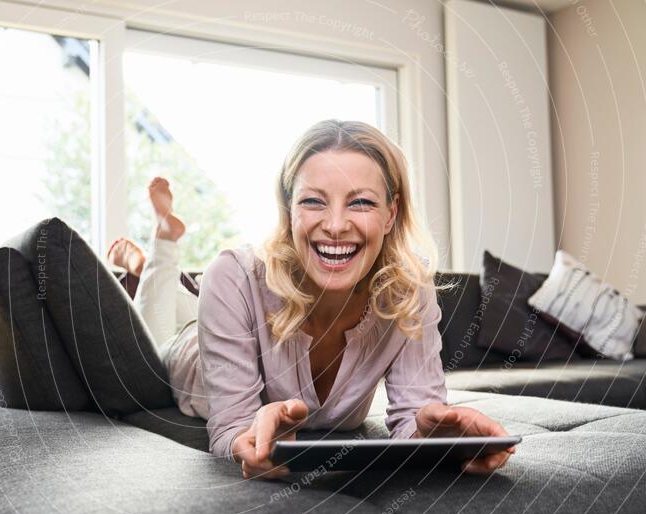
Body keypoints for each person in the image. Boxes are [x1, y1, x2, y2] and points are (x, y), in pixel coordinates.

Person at [108, 120, 515, 481]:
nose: (336, 226)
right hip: (191, 351)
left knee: (184, 303)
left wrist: (433, 434)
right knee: (159, 327)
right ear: (288, 211)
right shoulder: (233, 275)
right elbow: (230, 427)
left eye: (362, 202)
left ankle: (146, 267)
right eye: (313, 201)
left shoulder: (409, 290)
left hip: (222, 312)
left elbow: (415, 415)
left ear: (391, 214)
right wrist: (248, 438)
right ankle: (160, 248)